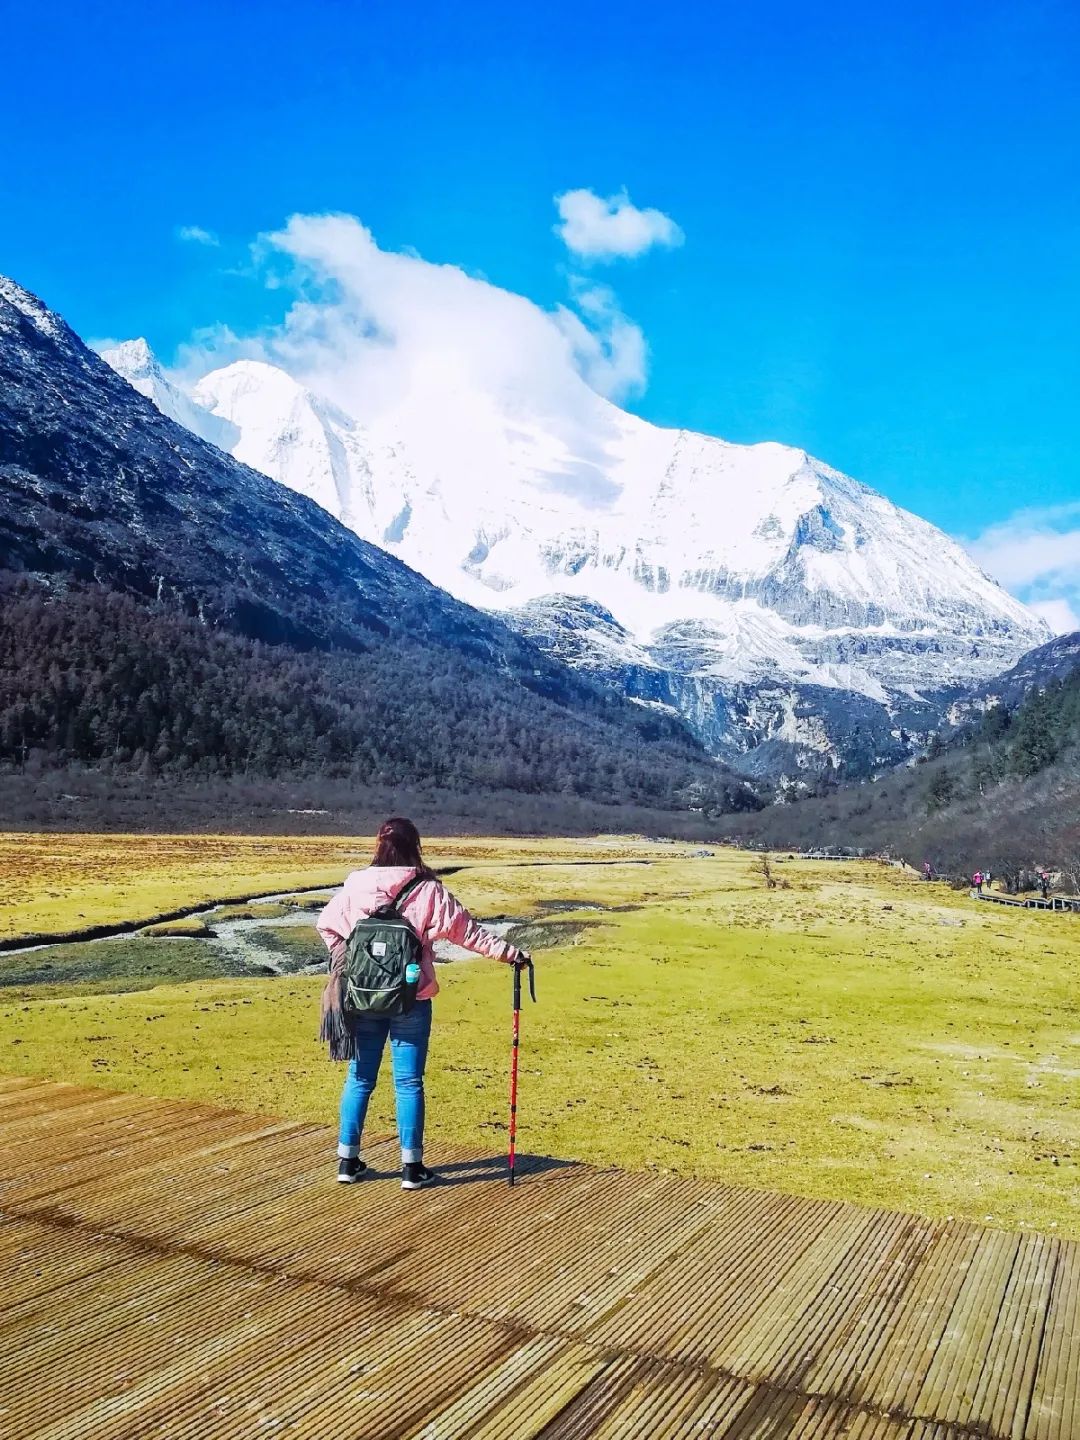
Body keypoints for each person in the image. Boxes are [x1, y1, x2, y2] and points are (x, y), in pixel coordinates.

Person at [316, 817, 531, 1190]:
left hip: (362, 997)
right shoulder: (429, 889)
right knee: (409, 1082)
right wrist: (511, 955)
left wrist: (349, 963)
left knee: (360, 1078)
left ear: (378, 846)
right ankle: (412, 1169)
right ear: (415, 845)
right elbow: (469, 933)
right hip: (411, 999)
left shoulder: (356, 884)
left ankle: (347, 1163)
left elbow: (327, 926)